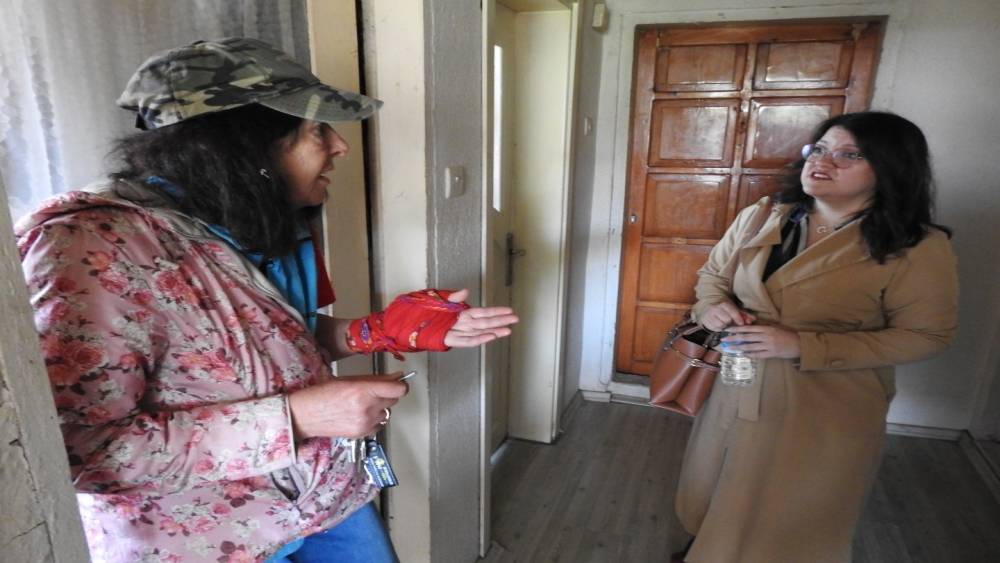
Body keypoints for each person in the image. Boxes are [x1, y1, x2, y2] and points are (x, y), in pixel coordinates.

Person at [15, 37, 517, 562]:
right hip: (207, 542)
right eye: (316, 130)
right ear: (244, 145)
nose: (340, 147)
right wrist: (295, 419)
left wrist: (377, 331)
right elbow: (78, 450)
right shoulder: (88, 247)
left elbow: (278, 343)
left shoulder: (264, 221)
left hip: (326, 502)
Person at [672, 111, 958, 562]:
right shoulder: (761, 217)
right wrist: (712, 308)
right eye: (819, 149)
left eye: (849, 155)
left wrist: (802, 345)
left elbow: (927, 336)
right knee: (719, 487)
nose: (822, 161)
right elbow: (712, 278)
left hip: (825, 405)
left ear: (889, 168)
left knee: (792, 514)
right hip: (736, 387)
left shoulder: (915, 246)